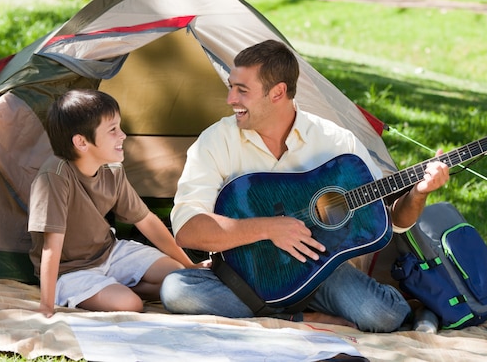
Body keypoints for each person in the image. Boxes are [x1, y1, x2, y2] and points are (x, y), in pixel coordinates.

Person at [159, 40, 450, 332]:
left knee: (382, 315)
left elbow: (393, 220)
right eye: (231, 86)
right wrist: (270, 228)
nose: (230, 99)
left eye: (242, 90)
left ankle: (407, 306)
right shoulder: (216, 141)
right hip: (246, 275)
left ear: (278, 93)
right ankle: (301, 319)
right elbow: (187, 230)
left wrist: (418, 193)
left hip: (319, 270)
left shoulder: (335, 141)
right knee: (176, 290)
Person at [28, 89, 205, 318]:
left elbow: (146, 220)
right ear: (81, 142)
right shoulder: (55, 176)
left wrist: (189, 265)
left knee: (177, 274)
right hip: (70, 270)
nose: (123, 135)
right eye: (113, 130)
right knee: (130, 304)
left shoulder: (112, 170)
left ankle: (113, 286)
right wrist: (46, 305)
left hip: (109, 252)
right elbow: (52, 245)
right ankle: (114, 290)